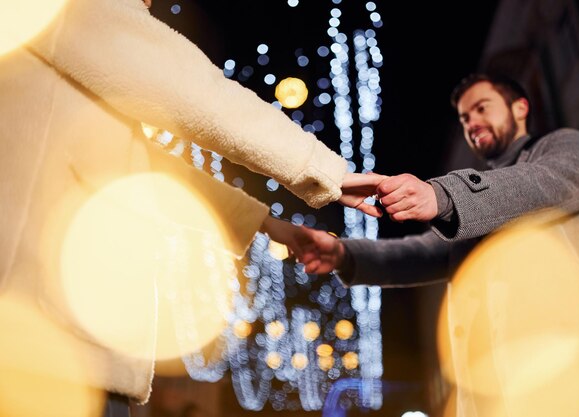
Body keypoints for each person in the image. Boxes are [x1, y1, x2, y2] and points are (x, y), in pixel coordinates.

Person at [0, 0, 383, 416]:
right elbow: (190, 90)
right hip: (44, 346)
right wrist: (324, 169)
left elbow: (145, 166)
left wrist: (267, 224)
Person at [274, 73, 579, 416]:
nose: (471, 122)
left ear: (520, 108)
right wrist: (341, 252)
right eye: (464, 117)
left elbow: (537, 186)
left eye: (482, 108)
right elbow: (425, 252)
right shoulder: (477, 209)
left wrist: (440, 196)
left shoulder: (564, 148)